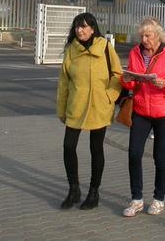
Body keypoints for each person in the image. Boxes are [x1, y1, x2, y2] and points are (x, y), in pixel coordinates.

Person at [120, 18, 165, 217]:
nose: (144, 39)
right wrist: (128, 80)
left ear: (157, 35)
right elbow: (132, 84)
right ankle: (137, 198)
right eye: (141, 36)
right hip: (141, 110)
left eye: (148, 35)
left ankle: (159, 199)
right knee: (133, 154)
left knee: (160, 157)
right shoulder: (135, 52)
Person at [56, 12, 122, 210]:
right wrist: (61, 108)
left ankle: (94, 192)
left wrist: (109, 96)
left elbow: (117, 75)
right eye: (77, 27)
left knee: (96, 149)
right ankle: (73, 189)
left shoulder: (105, 48)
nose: (80, 30)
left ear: (93, 29)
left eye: (84, 26)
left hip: (99, 106)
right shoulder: (71, 51)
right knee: (68, 146)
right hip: (76, 106)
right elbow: (64, 82)